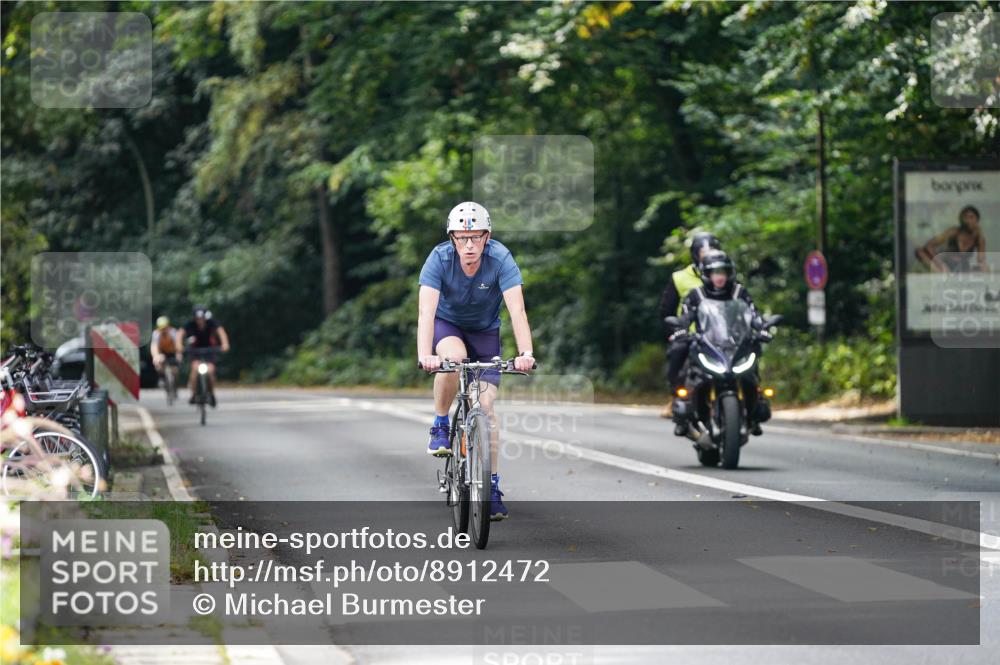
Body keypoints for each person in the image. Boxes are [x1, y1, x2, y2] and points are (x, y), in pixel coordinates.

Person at [417, 201, 535, 521]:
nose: (469, 245)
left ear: (487, 237)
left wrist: (526, 353)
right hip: (448, 326)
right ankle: (441, 423)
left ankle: (491, 488)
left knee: (486, 408)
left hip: (485, 332)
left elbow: (517, 311)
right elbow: (426, 311)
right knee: (454, 359)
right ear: (452, 238)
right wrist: (425, 355)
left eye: (476, 237)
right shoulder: (439, 259)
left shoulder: (500, 259)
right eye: (461, 237)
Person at [671, 250, 765, 436]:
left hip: (736, 344)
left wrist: (763, 327)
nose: (719, 277)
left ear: (729, 273)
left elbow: (754, 315)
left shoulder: (739, 292)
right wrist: (681, 329)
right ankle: (684, 413)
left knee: (753, 363)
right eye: (715, 273)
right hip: (707, 343)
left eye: (723, 272)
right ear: (706, 274)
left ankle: (754, 411)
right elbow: (686, 316)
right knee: (687, 364)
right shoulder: (696, 294)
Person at [659, 232, 722, 416]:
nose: (708, 255)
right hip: (691, 334)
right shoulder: (680, 278)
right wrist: (675, 330)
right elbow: (666, 311)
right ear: (695, 254)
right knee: (677, 352)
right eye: (704, 252)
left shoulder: (723, 275)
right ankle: (675, 396)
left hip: (720, 334)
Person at [177, 305, 230, 406]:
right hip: (195, 352)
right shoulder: (190, 325)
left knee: (210, 371)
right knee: (195, 370)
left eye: (202, 318)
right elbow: (180, 334)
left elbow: (221, 332)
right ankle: (193, 394)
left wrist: (225, 344)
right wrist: (179, 346)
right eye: (198, 318)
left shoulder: (211, 323)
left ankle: (212, 393)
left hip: (209, 351)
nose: (200, 320)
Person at [915, 205, 987, 273]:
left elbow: (981, 260)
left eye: (971, 217)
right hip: (946, 265)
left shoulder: (979, 238)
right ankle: (943, 273)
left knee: (983, 269)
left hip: (963, 268)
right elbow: (929, 245)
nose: (968, 220)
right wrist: (941, 264)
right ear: (962, 219)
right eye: (966, 217)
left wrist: (979, 236)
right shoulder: (954, 231)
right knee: (920, 251)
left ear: (977, 219)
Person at [150, 315, 182, 390]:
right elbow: (154, 346)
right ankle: (162, 378)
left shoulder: (173, 332)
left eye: (165, 328)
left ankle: (175, 384)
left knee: (175, 371)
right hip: (162, 353)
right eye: (161, 329)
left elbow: (177, 344)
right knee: (158, 364)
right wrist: (156, 356)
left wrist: (179, 354)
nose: (163, 330)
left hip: (172, 353)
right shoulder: (156, 333)